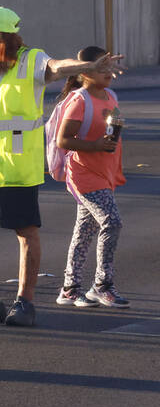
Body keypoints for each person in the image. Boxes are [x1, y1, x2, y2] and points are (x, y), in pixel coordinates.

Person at [0, 5, 125, 327]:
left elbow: (58, 67)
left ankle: (24, 302)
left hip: (15, 165)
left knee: (25, 231)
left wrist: (89, 64)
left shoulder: (31, 61)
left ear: (0, 36)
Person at [54, 46, 129, 309]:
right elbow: (63, 140)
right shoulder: (79, 100)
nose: (108, 72)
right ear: (85, 72)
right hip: (84, 174)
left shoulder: (110, 95)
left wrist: (115, 128)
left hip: (105, 173)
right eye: (101, 67)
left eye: (109, 66)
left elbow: (114, 122)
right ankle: (102, 286)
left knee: (85, 230)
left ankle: (69, 289)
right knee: (112, 222)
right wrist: (97, 145)